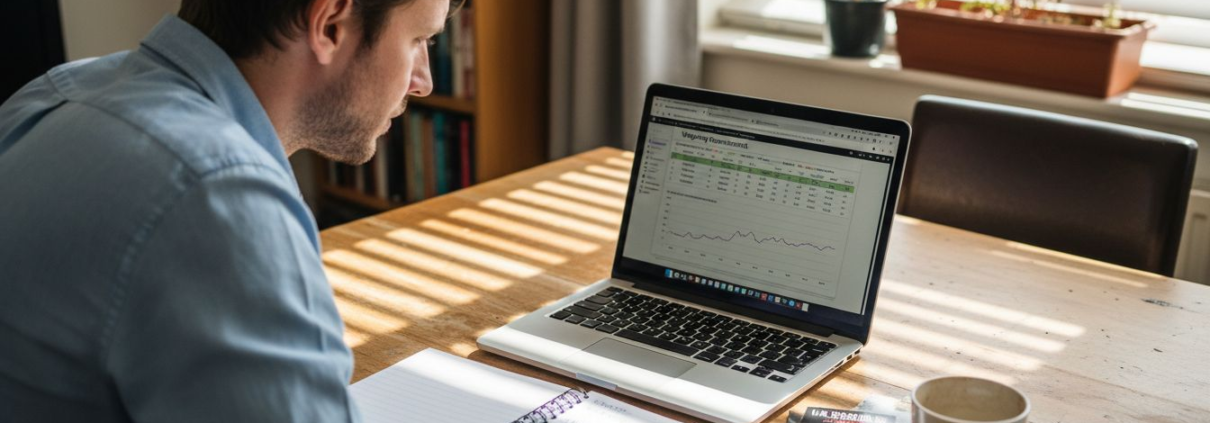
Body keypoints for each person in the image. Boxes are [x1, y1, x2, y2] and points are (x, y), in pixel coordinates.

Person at [0, 0, 456, 421]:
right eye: (418, 40)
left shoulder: (55, 92)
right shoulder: (217, 194)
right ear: (330, 23)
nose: (423, 80)